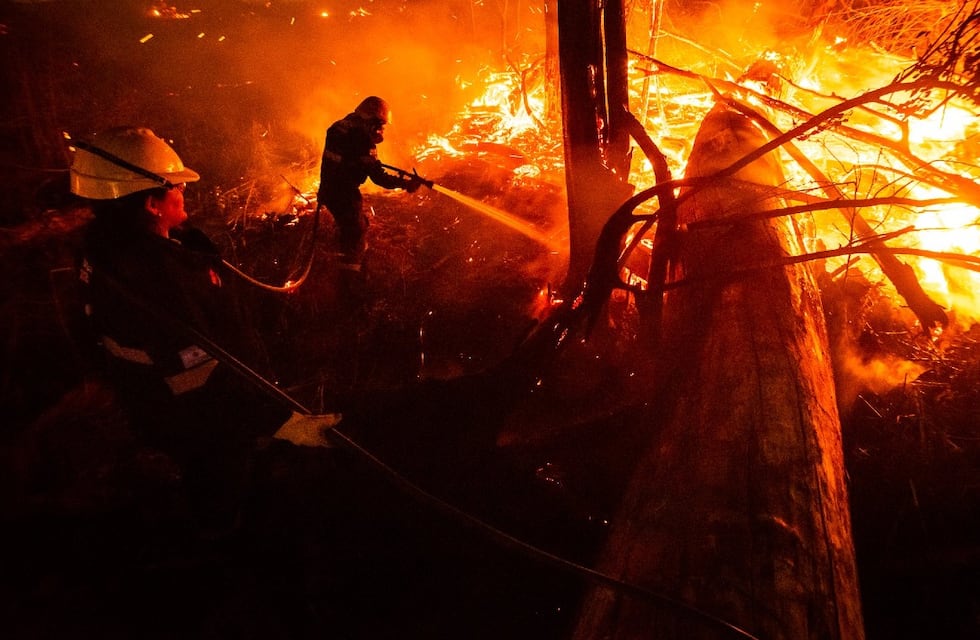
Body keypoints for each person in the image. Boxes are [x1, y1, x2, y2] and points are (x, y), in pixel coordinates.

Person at [71, 126, 336, 534]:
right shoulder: (163, 279)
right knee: (221, 483)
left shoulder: (100, 247)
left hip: (146, 398)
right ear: (151, 203)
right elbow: (201, 379)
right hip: (197, 418)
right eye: (175, 186)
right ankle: (226, 547)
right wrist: (280, 421)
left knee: (210, 473)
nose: (183, 193)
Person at [316, 96, 424, 292]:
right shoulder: (361, 138)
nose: (381, 130)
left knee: (355, 225)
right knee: (356, 232)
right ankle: (349, 285)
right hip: (344, 192)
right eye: (380, 124)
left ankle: (348, 264)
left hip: (327, 189)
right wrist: (405, 184)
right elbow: (378, 177)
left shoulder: (339, 127)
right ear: (371, 120)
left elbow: (342, 161)